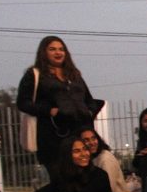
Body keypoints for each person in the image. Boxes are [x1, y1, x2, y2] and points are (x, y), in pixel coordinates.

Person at [16, 36, 104, 176]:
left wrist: (89, 112)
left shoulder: (74, 75)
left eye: (61, 49)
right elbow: (22, 103)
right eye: (52, 49)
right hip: (52, 138)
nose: (58, 52)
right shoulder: (34, 74)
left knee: (83, 179)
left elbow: (89, 99)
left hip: (79, 135)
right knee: (61, 181)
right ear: (43, 52)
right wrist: (49, 111)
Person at [79, 127, 131, 192]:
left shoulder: (104, 159)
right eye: (86, 140)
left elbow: (106, 190)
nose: (92, 143)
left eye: (93, 138)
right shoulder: (91, 159)